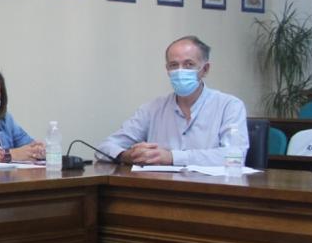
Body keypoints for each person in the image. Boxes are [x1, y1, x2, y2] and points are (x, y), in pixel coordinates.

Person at [98, 35, 248, 166]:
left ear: (205, 69)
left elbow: (234, 158)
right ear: (167, 70)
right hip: (161, 191)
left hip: (211, 192)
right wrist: (128, 156)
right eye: (174, 65)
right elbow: (104, 148)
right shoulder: (153, 109)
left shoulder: (230, 106)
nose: (180, 71)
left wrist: (171, 157)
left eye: (189, 64)